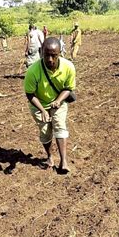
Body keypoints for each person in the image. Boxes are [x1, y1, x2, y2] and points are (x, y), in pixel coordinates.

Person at [23, 37, 76, 174]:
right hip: (38, 104)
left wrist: (58, 101)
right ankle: (49, 157)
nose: (50, 59)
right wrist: (42, 110)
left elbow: (68, 88)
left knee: (59, 125)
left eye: (54, 55)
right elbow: (30, 94)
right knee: (45, 131)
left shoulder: (68, 67)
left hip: (58, 101)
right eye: (47, 55)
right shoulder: (33, 71)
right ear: (41, 53)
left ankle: (63, 161)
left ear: (60, 53)